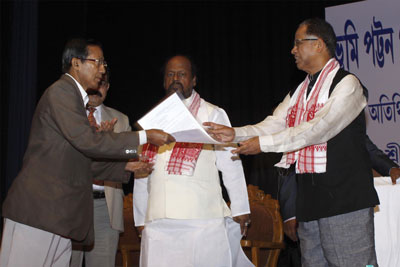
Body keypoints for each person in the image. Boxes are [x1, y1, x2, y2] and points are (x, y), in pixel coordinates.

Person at [206, 18, 380, 266]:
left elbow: (317, 129)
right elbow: (274, 123)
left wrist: (263, 144)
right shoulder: (299, 92)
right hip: (310, 203)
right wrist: (234, 134)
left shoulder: (348, 85)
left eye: (298, 43)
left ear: (318, 44)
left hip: (345, 202)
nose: (293, 50)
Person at [0, 38, 174, 267]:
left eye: (105, 63)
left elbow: (80, 159)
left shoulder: (76, 101)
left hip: (58, 218)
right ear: (76, 63)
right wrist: (144, 136)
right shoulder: (61, 92)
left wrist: (125, 167)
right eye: (98, 62)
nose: (103, 69)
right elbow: (88, 142)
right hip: (39, 214)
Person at [133, 55, 252, 267]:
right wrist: (141, 217)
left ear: (194, 80)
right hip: (158, 219)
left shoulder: (212, 113)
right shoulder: (151, 120)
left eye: (182, 74)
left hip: (202, 218)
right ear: (163, 81)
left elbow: (230, 163)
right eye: (170, 74)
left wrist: (240, 207)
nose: (175, 78)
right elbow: (142, 171)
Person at [70, 70, 130, 267]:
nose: (97, 89)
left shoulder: (121, 120)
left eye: (102, 85)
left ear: (108, 88)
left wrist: (108, 141)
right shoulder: (70, 114)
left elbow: (129, 161)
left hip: (106, 207)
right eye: (95, 84)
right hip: (73, 205)